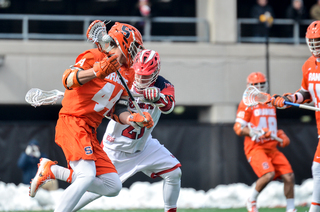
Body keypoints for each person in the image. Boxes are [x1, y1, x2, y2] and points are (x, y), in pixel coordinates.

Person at [28, 21, 154, 212]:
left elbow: (117, 110)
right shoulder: (94, 56)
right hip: (73, 121)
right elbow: (68, 80)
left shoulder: (127, 74)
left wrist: (133, 119)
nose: (136, 53)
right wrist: (97, 71)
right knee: (86, 176)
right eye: (134, 47)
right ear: (122, 43)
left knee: (113, 186)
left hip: (90, 130)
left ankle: (51, 170)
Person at [70, 49, 181, 212]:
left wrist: (158, 97)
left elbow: (169, 107)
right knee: (95, 191)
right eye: (139, 73)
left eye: (146, 75)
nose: (141, 78)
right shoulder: (123, 79)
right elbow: (109, 109)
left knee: (174, 172)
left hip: (143, 146)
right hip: (116, 148)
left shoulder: (163, 85)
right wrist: (131, 117)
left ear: (156, 73)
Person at [271, 20, 320, 212]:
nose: (315, 45)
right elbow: (306, 93)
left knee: (317, 168)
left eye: (318, 41)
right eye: (312, 41)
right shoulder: (308, 65)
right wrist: (291, 98)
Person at [233, 72, 296, 212]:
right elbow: (238, 127)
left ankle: (291, 209)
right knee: (268, 174)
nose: (260, 87)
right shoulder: (247, 103)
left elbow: (272, 127)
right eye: (256, 85)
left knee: (289, 176)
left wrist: (280, 134)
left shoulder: (270, 102)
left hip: (272, 148)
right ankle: (252, 200)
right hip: (255, 147)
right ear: (249, 87)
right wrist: (253, 132)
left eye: (262, 84)